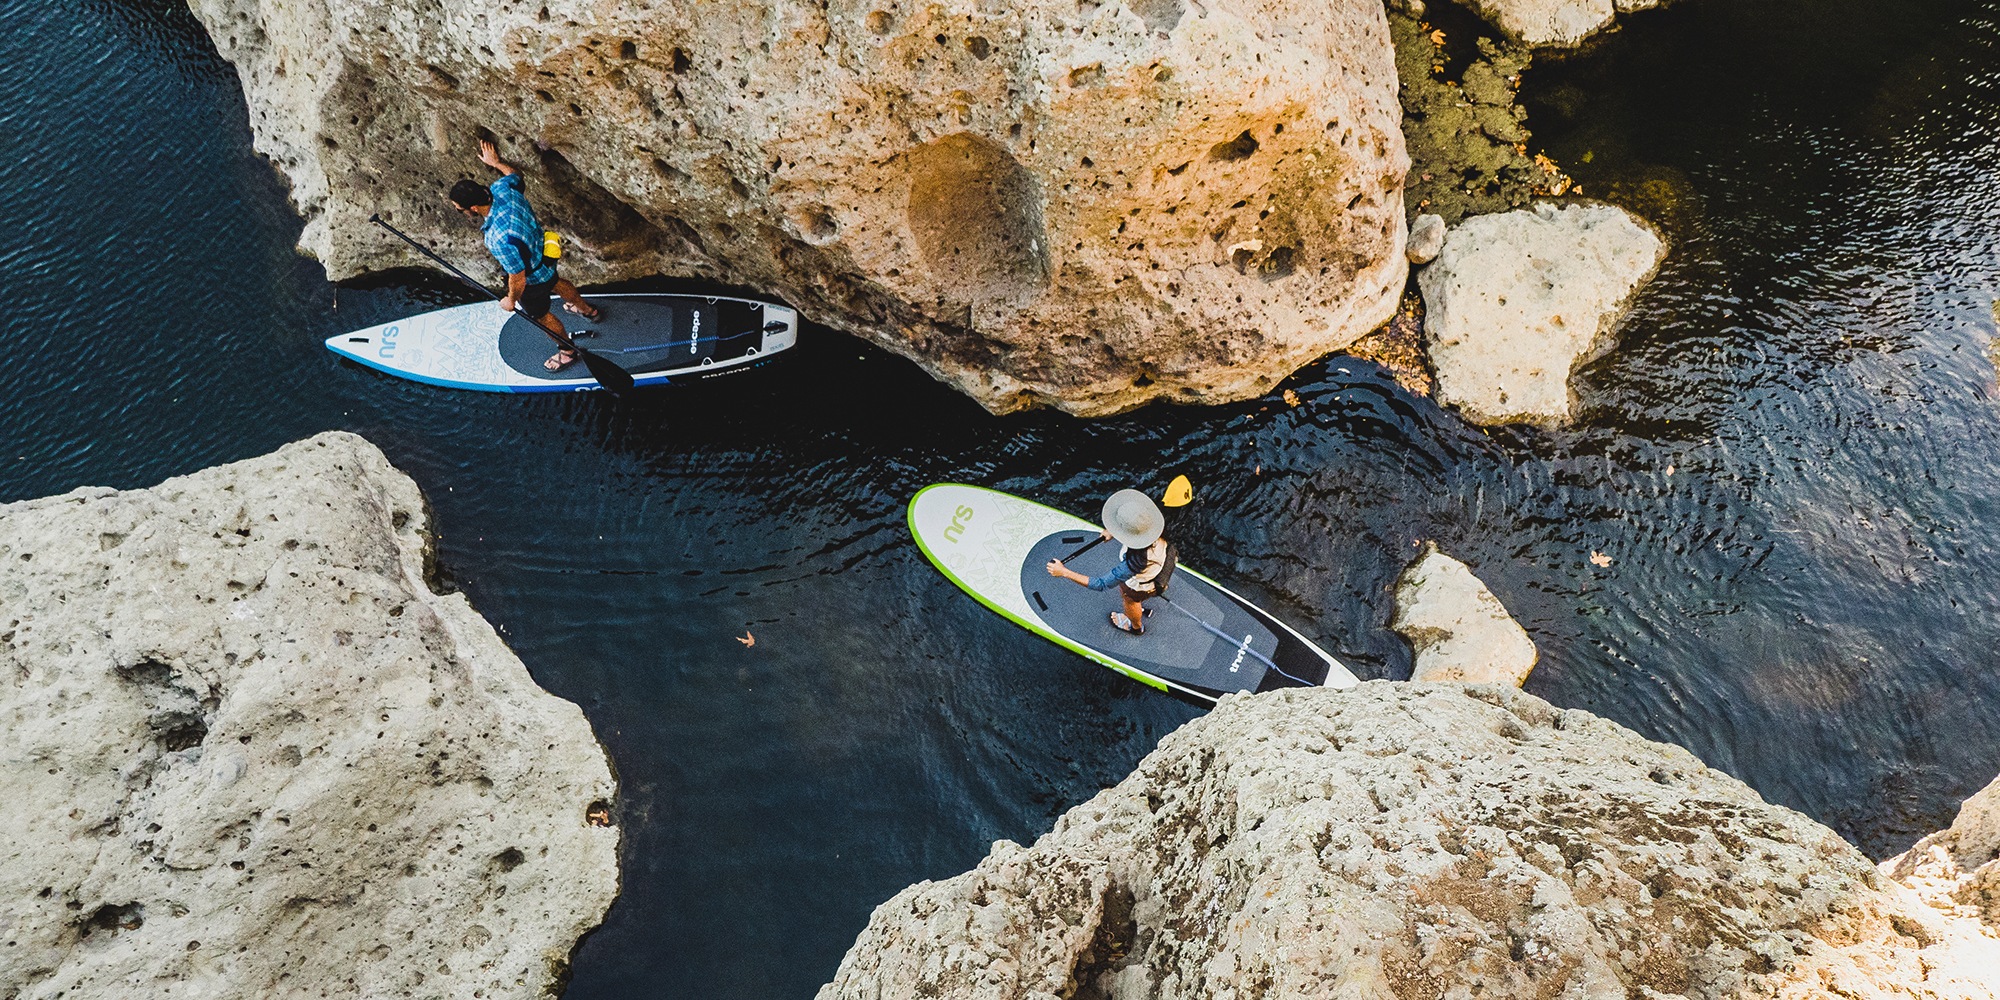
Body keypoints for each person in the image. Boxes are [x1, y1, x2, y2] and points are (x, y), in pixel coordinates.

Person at [448, 139, 603, 371]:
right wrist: (497, 163)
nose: (458, 211)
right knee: (556, 282)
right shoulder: (503, 188)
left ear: (473, 209)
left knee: (541, 315)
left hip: (532, 277)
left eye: (459, 208)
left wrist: (511, 300)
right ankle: (587, 310)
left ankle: (567, 351)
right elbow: (515, 175)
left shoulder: (497, 238)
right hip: (546, 254)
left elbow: (517, 277)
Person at [1046, 489, 1175, 635]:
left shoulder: (1133, 563)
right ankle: (1140, 604)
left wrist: (1064, 572)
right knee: (1135, 596)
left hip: (1142, 585)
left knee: (1131, 600)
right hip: (1162, 564)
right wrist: (1113, 530)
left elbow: (1101, 584)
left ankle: (1136, 627)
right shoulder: (1155, 524)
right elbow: (1139, 528)